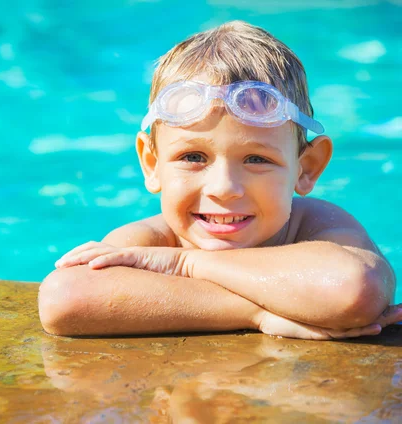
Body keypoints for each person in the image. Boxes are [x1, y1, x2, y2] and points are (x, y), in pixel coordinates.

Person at [38, 21, 401, 340]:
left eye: (257, 159)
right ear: (152, 164)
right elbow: (65, 298)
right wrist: (258, 313)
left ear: (307, 168)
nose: (224, 188)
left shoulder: (318, 224)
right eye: (193, 157)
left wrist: (187, 265)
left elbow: (357, 289)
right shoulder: (153, 238)